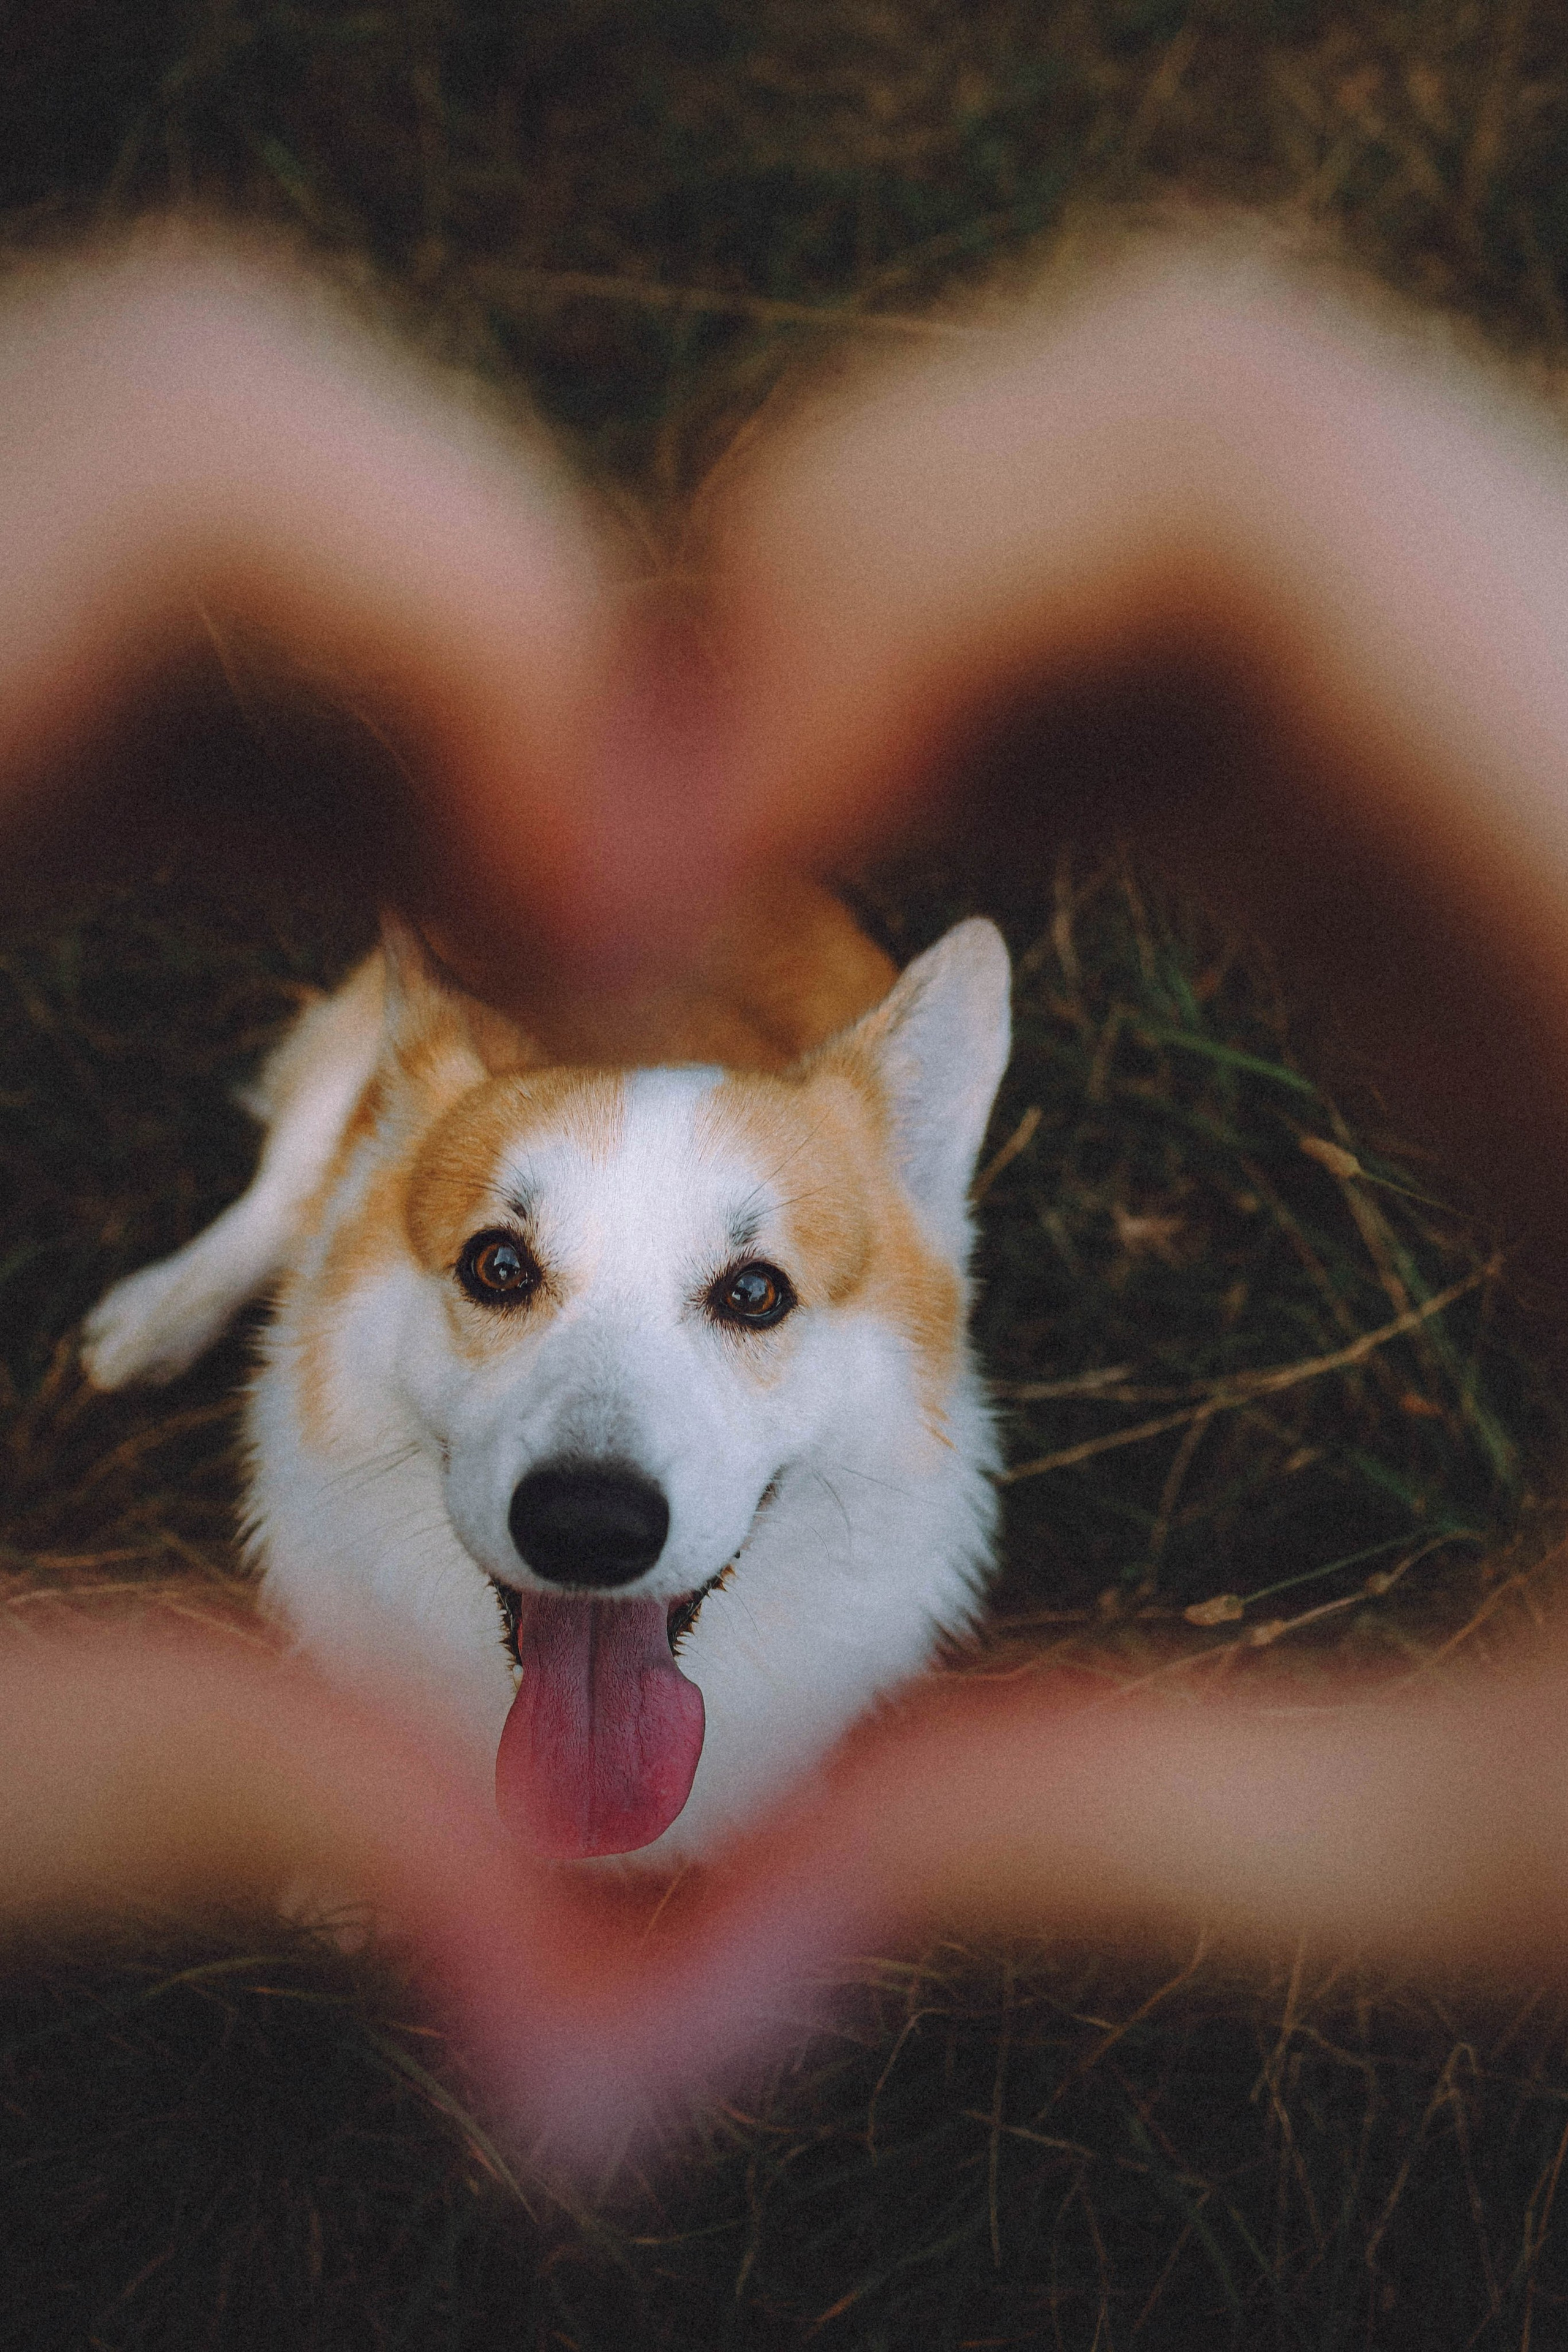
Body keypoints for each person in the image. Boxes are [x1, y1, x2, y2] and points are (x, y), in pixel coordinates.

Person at [4, 219, 1568, 2157]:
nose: (592, 1466)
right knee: (336, 1178)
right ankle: (244, 1233)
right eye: (503, 1270)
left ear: (917, 1213)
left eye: (750, 1297)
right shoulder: (429, 1127)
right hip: (513, 1023)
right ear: (395, 1260)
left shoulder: (869, 1150)